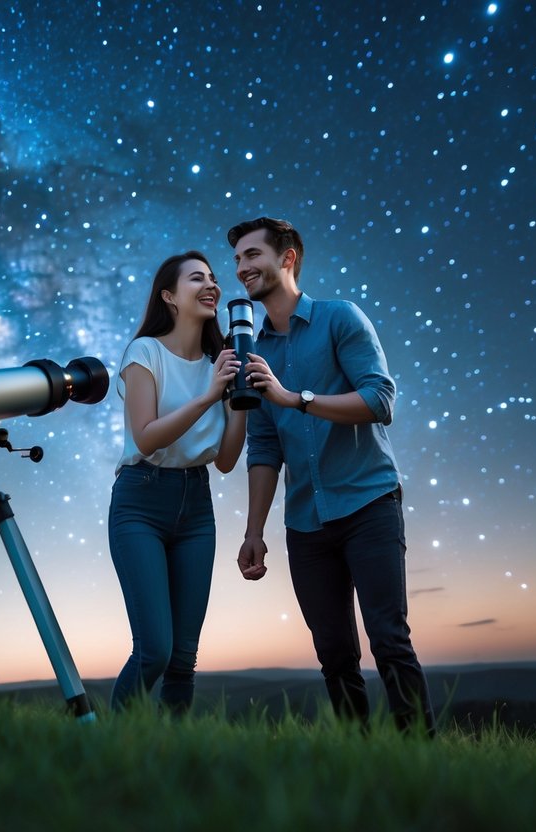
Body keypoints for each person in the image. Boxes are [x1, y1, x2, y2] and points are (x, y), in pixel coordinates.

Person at [229, 216, 435, 734]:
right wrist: (254, 531)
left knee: (389, 638)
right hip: (305, 524)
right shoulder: (253, 353)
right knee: (334, 653)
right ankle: (357, 765)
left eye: (252, 255)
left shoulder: (340, 318)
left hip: (369, 503)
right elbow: (264, 445)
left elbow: (379, 400)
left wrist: (294, 398)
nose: (241, 268)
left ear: (288, 258)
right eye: (236, 260)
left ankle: (424, 761)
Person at [107, 250, 247, 713]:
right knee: (155, 651)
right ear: (169, 296)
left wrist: (240, 400)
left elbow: (226, 461)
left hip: (197, 505)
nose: (212, 285)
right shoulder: (143, 352)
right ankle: (107, 751)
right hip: (141, 502)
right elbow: (146, 438)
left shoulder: (221, 360)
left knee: (183, 660)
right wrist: (210, 395)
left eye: (213, 278)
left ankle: (171, 761)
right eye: (196, 279)